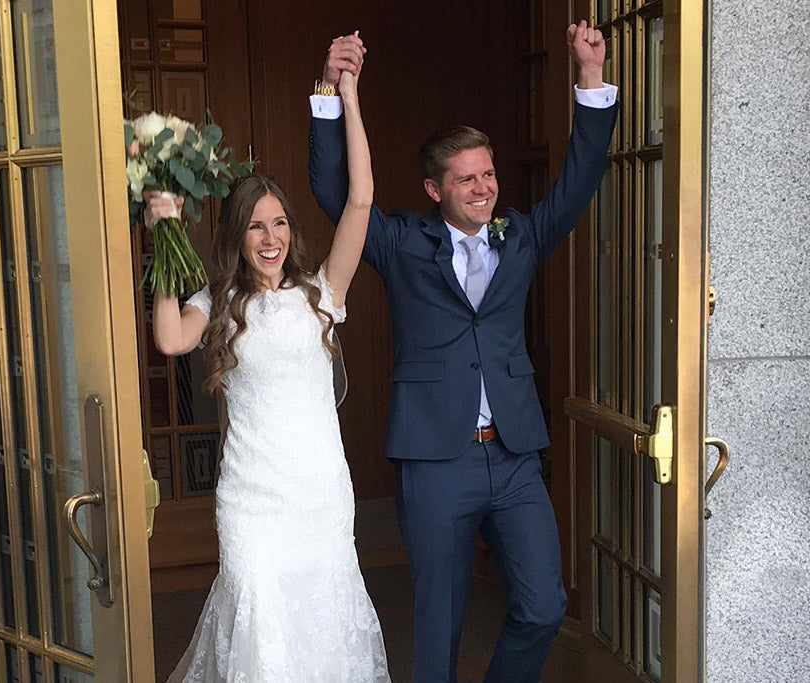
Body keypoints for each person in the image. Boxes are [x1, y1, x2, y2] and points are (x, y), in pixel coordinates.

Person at [308, 21, 618, 683]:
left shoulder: (524, 235)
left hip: (512, 455)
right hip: (434, 460)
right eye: (467, 178)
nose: (484, 187)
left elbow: (580, 179)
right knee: (439, 625)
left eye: (489, 173)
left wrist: (589, 78)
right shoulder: (398, 243)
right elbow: (337, 195)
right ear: (434, 189)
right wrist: (332, 93)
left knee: (541, 606)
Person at [155, 49, 390, 682]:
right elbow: (171, 339)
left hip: (319, 493)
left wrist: (349, 92)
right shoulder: (218, 301)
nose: (270, 238)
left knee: (321, 623)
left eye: (280, 223)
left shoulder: (320, 295)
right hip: (252, 499)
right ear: (237, 235)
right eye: (256, 226)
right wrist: (161, 239)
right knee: (259, 622)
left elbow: (361, 201)